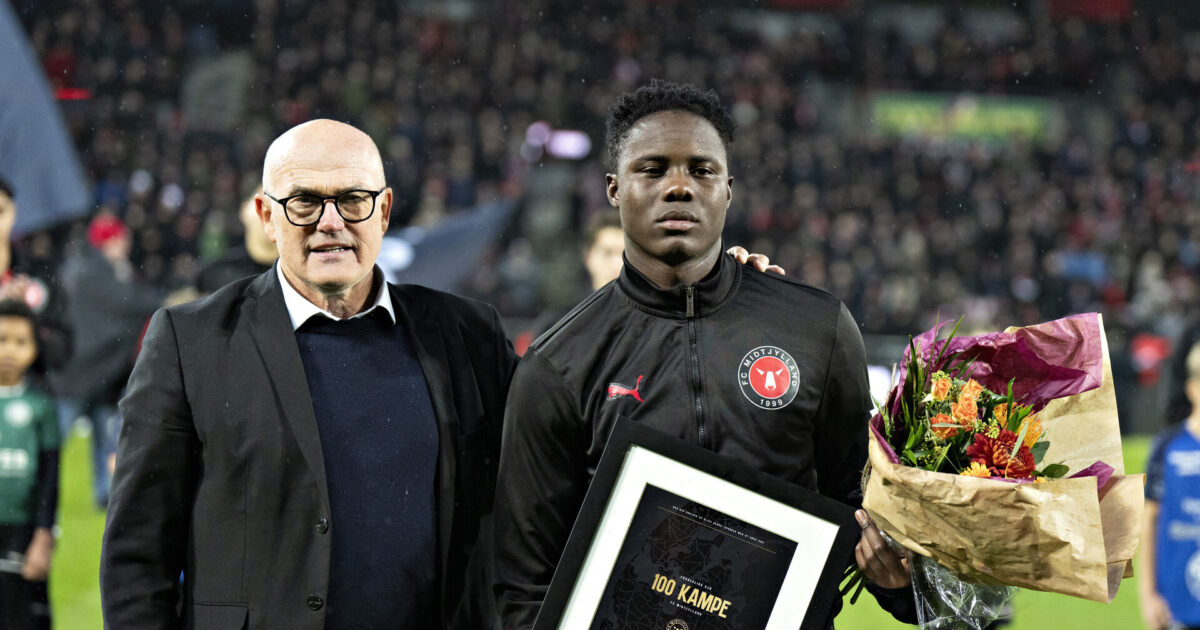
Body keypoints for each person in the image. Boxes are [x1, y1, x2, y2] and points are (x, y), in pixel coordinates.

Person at [492, 80, 914, 628]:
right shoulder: (558, 364)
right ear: (614, 189)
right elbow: (525, 585)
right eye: (653, 169)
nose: (678, 187)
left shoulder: (818, 328)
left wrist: (902, 583)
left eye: (701, 169)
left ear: (729, 188)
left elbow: (857, 508)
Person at [100, 119, 519, 629]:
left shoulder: (469, 336)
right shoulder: (190, 342)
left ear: (383, 211)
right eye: (304, 202)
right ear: (266, 216)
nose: (330, 222)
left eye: (352, 200)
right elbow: (137, 555)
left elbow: (545, 481)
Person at [51, 212, 163, 509]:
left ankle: (103, 494)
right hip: (82, 373)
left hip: (90, 373)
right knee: (59, 438)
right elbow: (135, 304)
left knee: (100, 437)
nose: (126, 243)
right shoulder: (95, 273)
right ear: (110, 240)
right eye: (121, 238)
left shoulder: (79, 268)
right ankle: (45, 488)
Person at [0, 300, 59, 630]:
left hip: (22, 531)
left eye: (21, 342)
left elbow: (51, 476)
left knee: (24, 617)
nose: (10, 350)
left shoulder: (40, 407)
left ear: (36, 348)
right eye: (2, 339)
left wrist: (43, 536)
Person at [1140, 340, 1200, 630]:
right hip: (1175, 608)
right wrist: (1149, 596)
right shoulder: (1168, 447)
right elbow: (1148, 521)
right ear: (1192, 388)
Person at [194, 185, 278, 294]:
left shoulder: (302, 277)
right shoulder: (213, 274)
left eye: (275, 205)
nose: (267, 214)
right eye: (260, 205)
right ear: (243, 210)